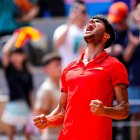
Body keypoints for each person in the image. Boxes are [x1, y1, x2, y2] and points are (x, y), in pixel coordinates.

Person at [33, 15, 129, 140]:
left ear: (106, 36)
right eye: (91, 20)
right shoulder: (69, 68)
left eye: (97, 22)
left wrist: (105, 110)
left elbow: (124, 109)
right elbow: (62, 110)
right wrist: (47, 120)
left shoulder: (115, 66)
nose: (91, 21)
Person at [1, 33, 34, 140]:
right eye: (13, 55)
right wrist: (15, 37)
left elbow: (30, 91)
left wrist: (33, 108)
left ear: (24, 56)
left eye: (18, 54)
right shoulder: (9, 70)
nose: (15, 57)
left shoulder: (28, 73)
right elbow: (5, 51)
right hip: (13, 102)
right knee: (12, 130)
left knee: (27, 130)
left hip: (25, 104)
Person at [34, 52, 62, 140]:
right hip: (52, 136)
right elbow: (39, 113)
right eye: (56, 65)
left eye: (60, 65)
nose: (60, 68)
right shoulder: (46, 89)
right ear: (46, 69)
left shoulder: (61, 86)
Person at [53, 0, 88, 69]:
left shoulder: (90, 30)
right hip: (68, 70)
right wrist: (70, 21)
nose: (80, 15)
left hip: (85, 71)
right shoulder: (63, 29)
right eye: (76, 11)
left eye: (83, 12)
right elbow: (57, 44)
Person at [123, 3, 140, 140]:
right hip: (135, 79)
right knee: (135, 114)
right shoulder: (132, 32)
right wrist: (132, 44)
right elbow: (126, 57)